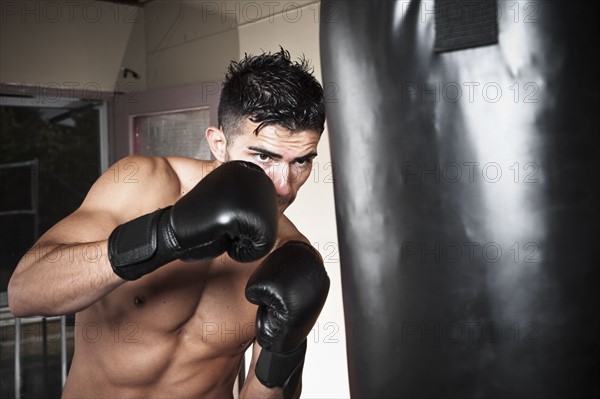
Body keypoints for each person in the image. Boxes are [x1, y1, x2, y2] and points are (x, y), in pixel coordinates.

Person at [8, 48, 330, 399]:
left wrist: (286, 351)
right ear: (218, 144)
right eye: (264, 156)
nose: (284, 185)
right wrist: (165, 235)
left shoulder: (289, 255)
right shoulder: (142, 182)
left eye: (301, 161)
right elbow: (25, 293)